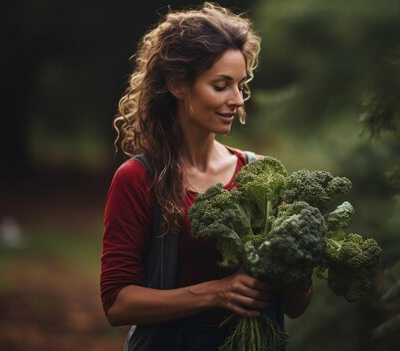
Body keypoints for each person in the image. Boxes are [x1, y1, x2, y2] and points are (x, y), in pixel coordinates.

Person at [100, 3, 313, 350]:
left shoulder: (261, 174)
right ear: (178, 85)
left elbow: (296, 306)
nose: (237, 100)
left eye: (240, 85)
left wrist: (297, 263)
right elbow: (117, 304)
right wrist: (216, 293)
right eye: (220, 86)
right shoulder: (138, 178)